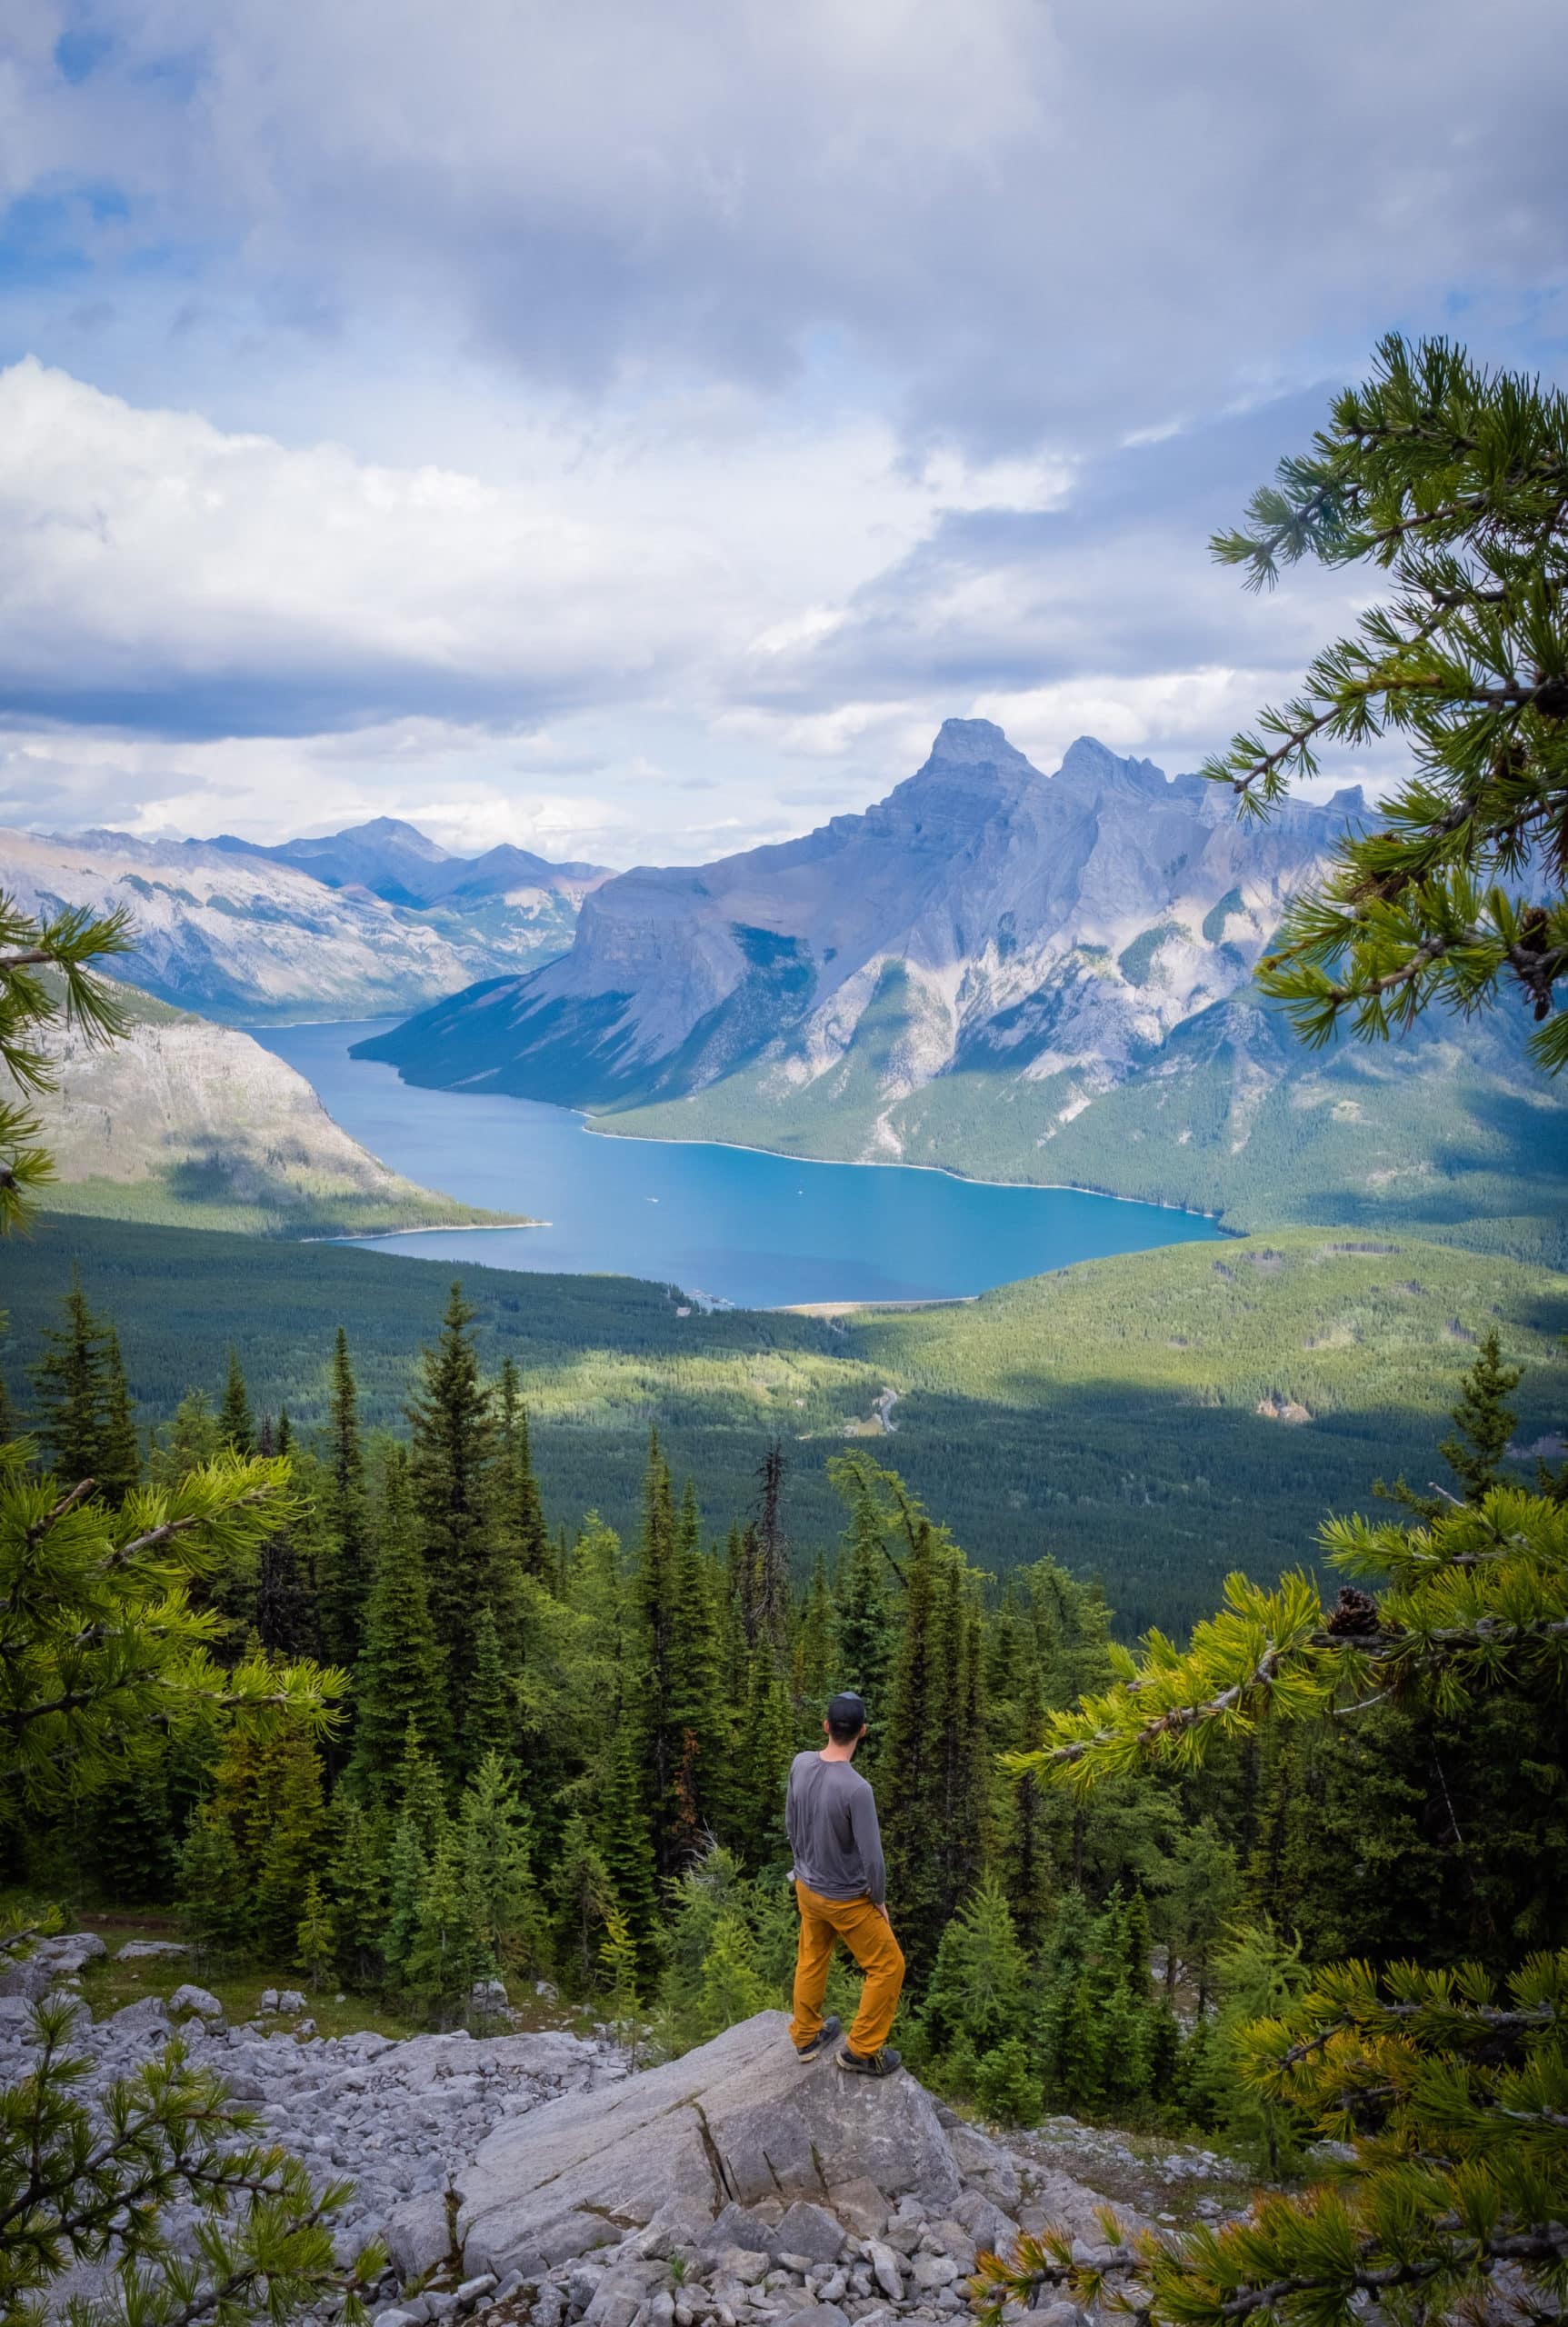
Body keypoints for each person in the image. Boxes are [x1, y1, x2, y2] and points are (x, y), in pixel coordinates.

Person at [784, 1689, 904, 2076]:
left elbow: (791, 1822)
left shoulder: (801, 1764)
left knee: (812, 1957)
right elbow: (873, 1859)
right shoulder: (857, 1789)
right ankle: (861, 2051)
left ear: (826, 1727)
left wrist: (802, 1866)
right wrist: (879, 1900)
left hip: (807, 1887)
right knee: (888, 1966)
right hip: (846, 1899)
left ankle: (806, 2036)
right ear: (862, 1731)